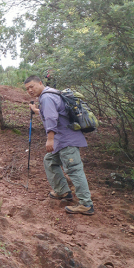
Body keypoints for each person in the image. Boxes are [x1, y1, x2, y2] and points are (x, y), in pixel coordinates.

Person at [25, 76, 95, 215]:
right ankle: (62, 191)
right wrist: (36, 111)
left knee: (74, 170)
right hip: (63, 140)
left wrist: (50, 139)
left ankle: (86, 204)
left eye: (32, 86)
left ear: (40, 83)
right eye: (27, 89)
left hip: (65, 140)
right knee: (50, 160)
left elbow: (52, 118)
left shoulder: (46, 97)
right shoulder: (51, 93)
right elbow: (52, 112)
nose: (30, 90)